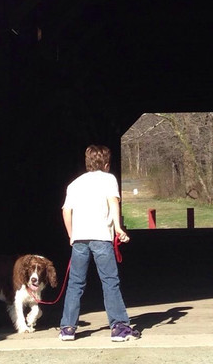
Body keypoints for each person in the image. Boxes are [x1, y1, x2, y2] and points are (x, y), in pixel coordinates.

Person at [59, 144, 140, 342]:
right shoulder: (108, 179)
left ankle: (67, 328)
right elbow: (113, 202)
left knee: (75, 283)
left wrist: (71, 235)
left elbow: (66, 211)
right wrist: (119, 228)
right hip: (101, 237)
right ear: (105, 163)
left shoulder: (75, 184)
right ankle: (119, 327)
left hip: (79, 239)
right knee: (110, 282)